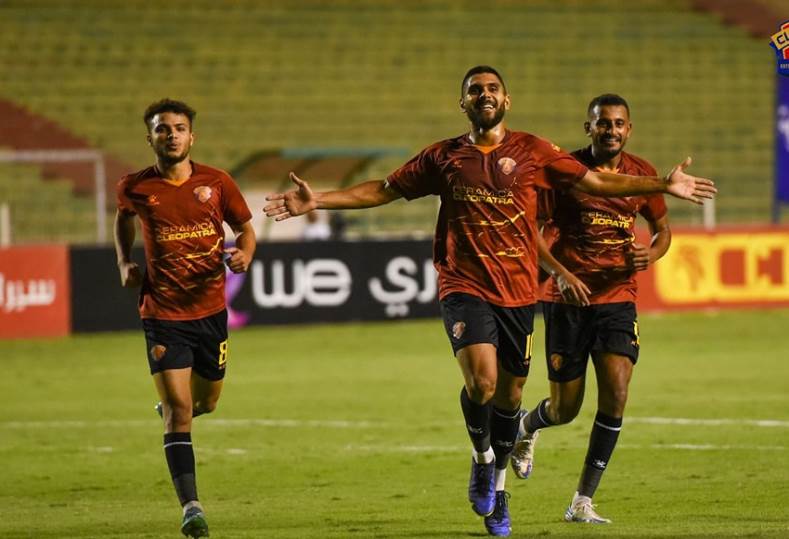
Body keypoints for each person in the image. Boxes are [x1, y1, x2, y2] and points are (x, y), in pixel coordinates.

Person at [263, 67, 714, 537]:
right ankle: (482, 460)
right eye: (475, 90)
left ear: (507, 100)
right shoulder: (443, 157)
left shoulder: (535, 152)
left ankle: (498, 490)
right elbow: (385, 189)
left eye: (492, 89)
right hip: (464, 285)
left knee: (510, 397)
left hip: (517, 291)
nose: (485, 95)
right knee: (482, 383)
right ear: (463, 103)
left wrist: (661, 185)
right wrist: (319, 201)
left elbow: (595, 183)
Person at [510, 94, 671, 524]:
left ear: (629, 129)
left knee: (616, 393)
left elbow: (662, 230)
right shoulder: (565, 172)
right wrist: (560, 273)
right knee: (565, 409)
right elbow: (530, 232)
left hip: (617, 298)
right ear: (589, 128)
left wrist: (652, 254)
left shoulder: (642, 174)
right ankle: (527, 426)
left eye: (618, 123)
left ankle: (582, 500)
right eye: (603, 123)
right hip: (567, 301)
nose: (611, 130)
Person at [114, 98, 255, 538]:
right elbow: (123, 219)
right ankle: (191, 507)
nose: (171, 135)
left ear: (192, 137)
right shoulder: (136, 187)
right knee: (179, 413)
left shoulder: (217, 182)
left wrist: (246, 253)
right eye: (162, 129)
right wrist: (124, 261)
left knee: (205, 403)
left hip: (210, 313)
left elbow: (245, 229)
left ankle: (177, 406)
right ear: (150, 138)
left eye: (178, 128)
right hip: (162, 313)